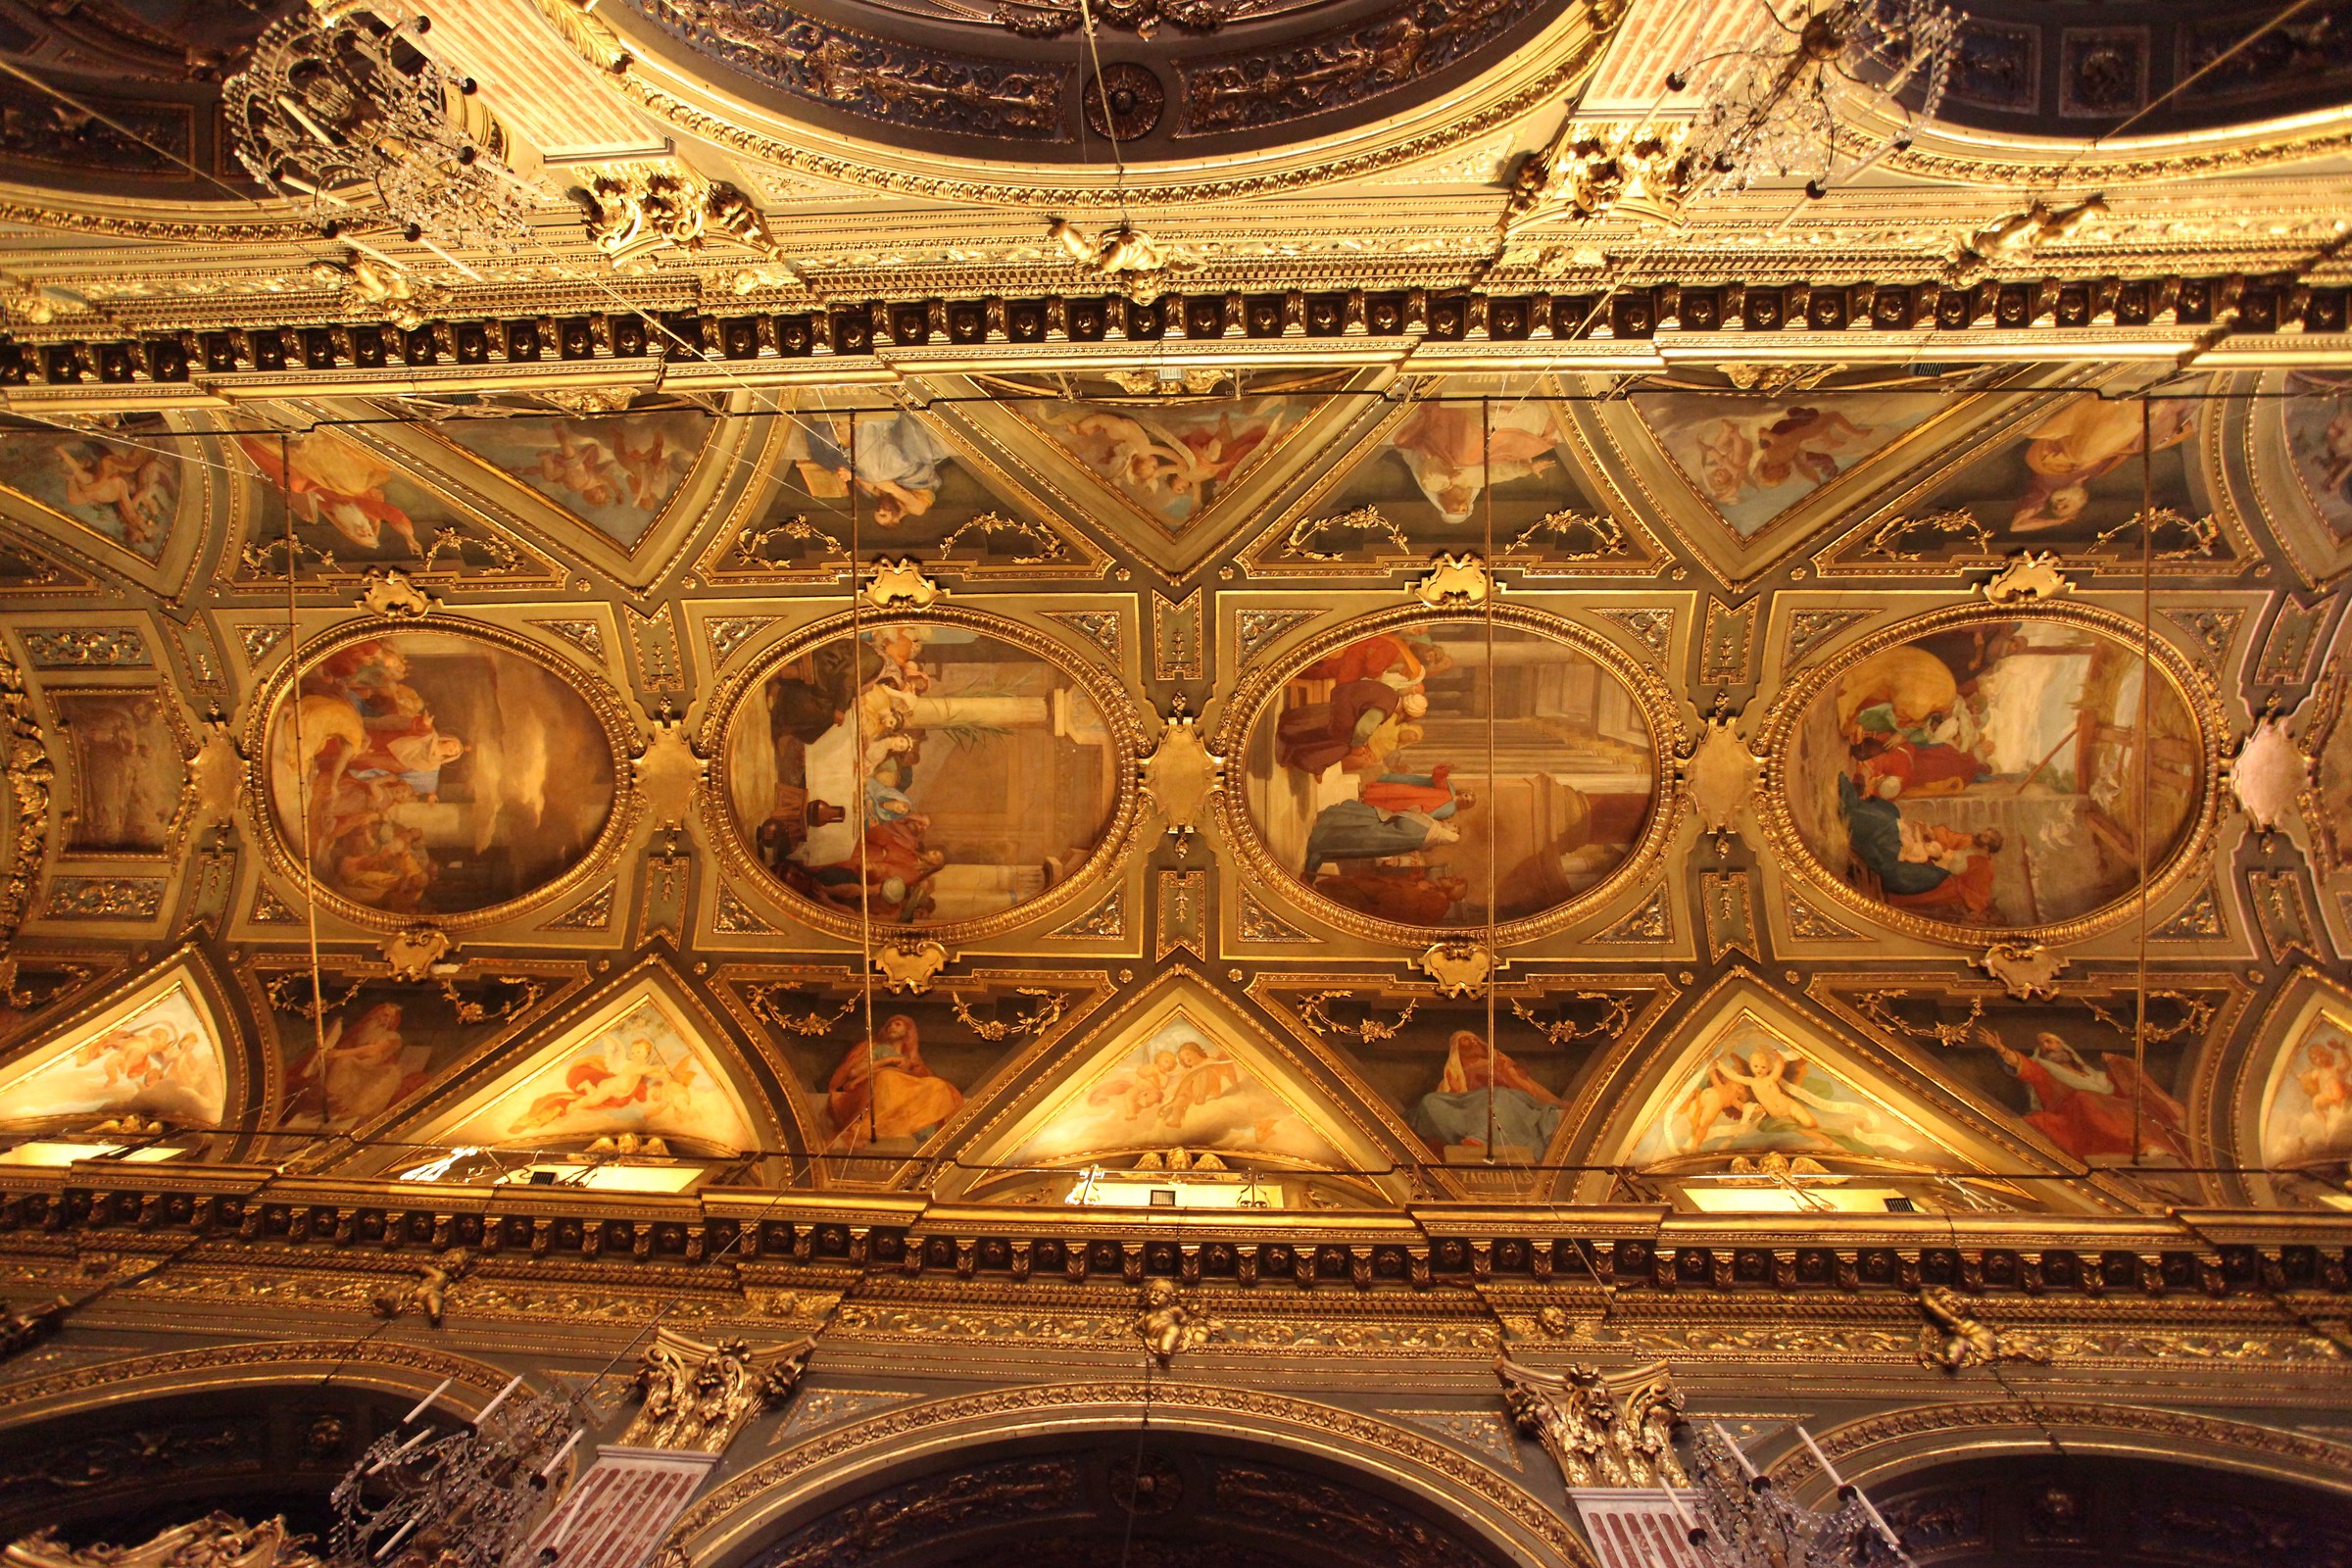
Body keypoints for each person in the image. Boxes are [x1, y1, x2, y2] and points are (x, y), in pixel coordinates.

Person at [1981, 1027, 2186, 1160]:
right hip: (2074, 1111)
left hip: (2109, 1108)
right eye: (2042, 1044)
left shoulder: (2091, 1073)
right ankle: (2138, 1144)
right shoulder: (2047, 1070)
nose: (2046, 1046)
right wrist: (2001, 1050)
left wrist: (2116, 1064)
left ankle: (2154, 1144)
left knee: (2134, 1104)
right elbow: (2028, 1069)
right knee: (2084, 1098)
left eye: (2050, 1041)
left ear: (2064, 1047)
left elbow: (2120, 1087)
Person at [1411, 1030, 1561, 1155]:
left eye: (1475, 1039)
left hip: (1509, 1105)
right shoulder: (1454, 1073)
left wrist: (1505, 1074)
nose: (1473, 1042)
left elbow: (1528, 1093)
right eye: (1466, 1040)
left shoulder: (1499, 1064)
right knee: (1430, 1101)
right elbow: (1453, 1102)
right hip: (1470, 1109)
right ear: (1456, 1048)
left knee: (1497, 1097)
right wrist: (1456, 1092)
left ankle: (1481, 1139)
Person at [826, 1014, 962, 1152]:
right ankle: (872, 1126)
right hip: (877, 1086)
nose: (892, 1027)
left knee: (937, 1085)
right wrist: (887, 1061)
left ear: (907, 1031)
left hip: (904, 1091)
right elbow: (855, 1072)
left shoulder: (911, 1059)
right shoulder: (877, 1049)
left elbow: (920, 1080)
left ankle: (920, 1131)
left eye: (897, 1025)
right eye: (889, 1025)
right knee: (887, 1077)